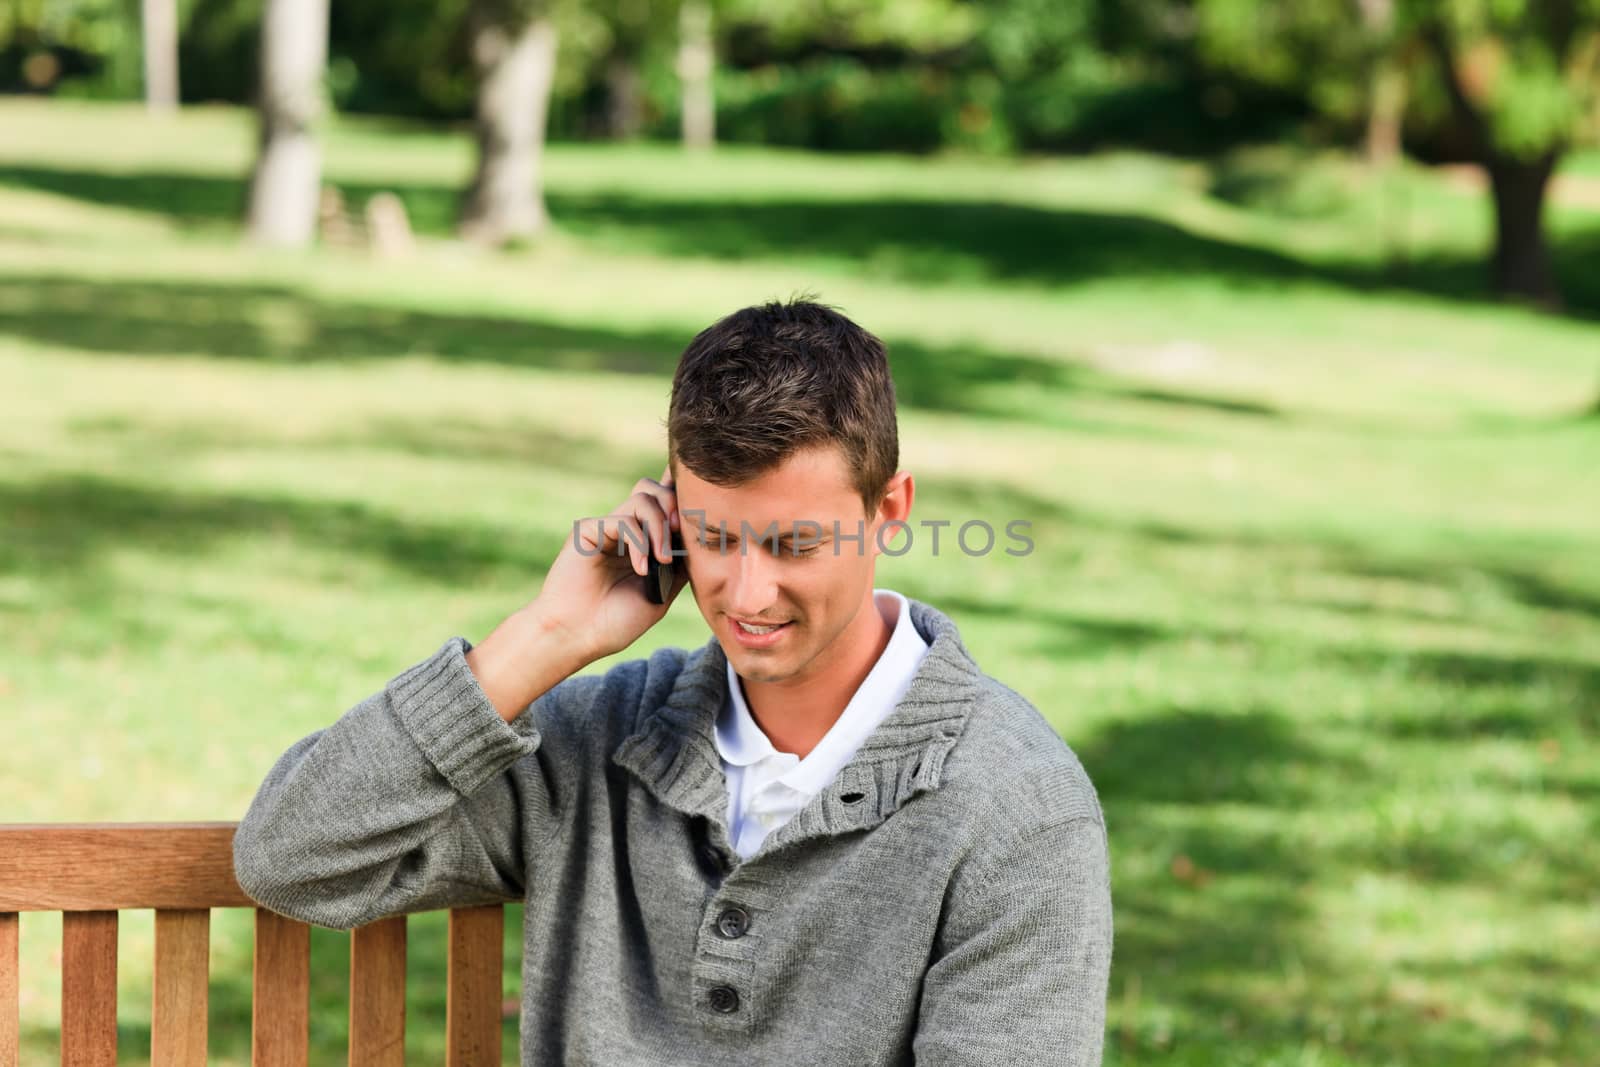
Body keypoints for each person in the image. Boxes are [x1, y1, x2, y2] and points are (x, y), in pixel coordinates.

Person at [232, 297, 1113, 1065]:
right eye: (714, 538)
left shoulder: (1017, 809)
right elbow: (293, 857)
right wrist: (543, 637)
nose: (747, 594)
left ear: (888, 511)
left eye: (793, 544)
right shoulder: (600, 736)